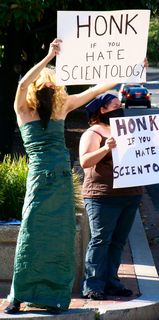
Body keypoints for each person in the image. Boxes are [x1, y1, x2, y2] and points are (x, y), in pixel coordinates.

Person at [4, 38, 116, 315]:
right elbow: (21, 84)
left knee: (61, 236)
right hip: (40, 179)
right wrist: (48, 57)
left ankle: (54, 296)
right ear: (34, 89)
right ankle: (18, 296)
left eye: (52, 85)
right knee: (31, 233)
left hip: (63, 179)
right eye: (44, 86)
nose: (48, 89)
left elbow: (93, 91)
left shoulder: (61, 107)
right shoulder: (23, 110)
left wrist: (129, 73)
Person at [79, 93, 159, 300]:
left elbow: (149, 151)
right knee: (100, 240)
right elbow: (85, 161)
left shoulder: (130, 129)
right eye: (114, 105)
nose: (119, 108)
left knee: (118, 241)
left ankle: (112, 282)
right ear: (102, 110)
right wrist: (106, 148)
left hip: (131, 194)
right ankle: (93, 285)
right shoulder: (93, 132)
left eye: (120, 105)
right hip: (102, 196)